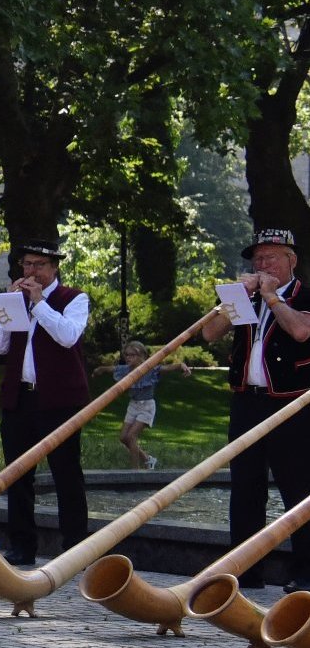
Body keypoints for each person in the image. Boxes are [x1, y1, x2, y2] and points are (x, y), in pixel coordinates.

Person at [199, 228, 310, 590]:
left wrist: (273, 299)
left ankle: (304, 573)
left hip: (291, 402)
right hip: (247, 401)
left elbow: (301, 332)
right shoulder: (245, 297)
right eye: (258, 259)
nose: (262, 265)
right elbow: (210, 333)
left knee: (298, 488)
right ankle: (244, 571)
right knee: (245, 487)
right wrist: (234, 297)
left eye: (271, 258)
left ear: (290, 261)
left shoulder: (304, 295)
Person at [0, 238, 91, 566]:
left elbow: (68, 336)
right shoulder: (14, 301)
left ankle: (74, 548)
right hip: (20, 398)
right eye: (27, 265)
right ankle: (21, 546)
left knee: (66, 474)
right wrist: (5, 309)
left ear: (55, 267)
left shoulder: (73, 298)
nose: (32, 271)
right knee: (17, 475)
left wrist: (39, 303)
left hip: (60, 401)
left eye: (39, 265)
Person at [113, 339, 191, 470]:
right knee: (123, 437)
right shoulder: (126, 370)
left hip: (146, 406)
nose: (128, 358)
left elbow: (167, 368)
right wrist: (100, 370)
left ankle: (135, 470)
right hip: (133, 405)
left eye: (132, 355)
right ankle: (148, 459)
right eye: (126, 355)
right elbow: (112, 369)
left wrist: (181, 366)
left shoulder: (150, 370)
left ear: (142, 357)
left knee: (131, 436)